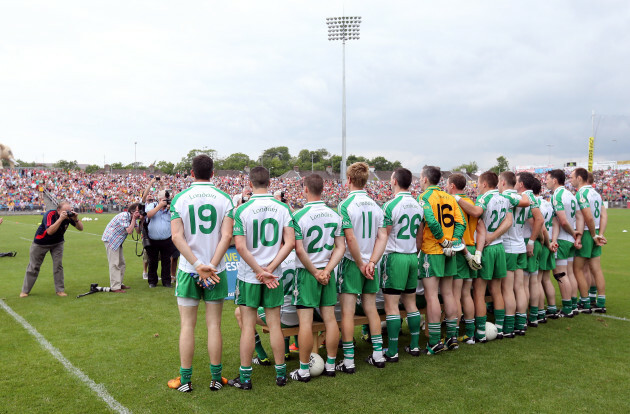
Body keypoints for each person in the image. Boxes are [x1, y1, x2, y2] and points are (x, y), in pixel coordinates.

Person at [167, 154, 234, 393]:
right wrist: (211, 266)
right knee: (214, 325)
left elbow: (176, 237)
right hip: (217, 270)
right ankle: (216, 378)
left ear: (192, 173)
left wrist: (197, 265)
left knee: (187, 326)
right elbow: (227, 236)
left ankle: (185, 380)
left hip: (188, 269)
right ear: (213, 173)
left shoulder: (180, 198)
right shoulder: (225, 198)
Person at [229, 166, 296, 389]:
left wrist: (260, 270)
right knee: (275, 325)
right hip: (272, 275)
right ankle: (281, 375)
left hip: (250, 275)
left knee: (248, 326)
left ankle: (246, 378)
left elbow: (239, 246)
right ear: (270, 182)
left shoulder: (242, 210)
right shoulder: (283, 208)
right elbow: (290, 243)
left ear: (250, 183)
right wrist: (270, 269)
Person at [291, 173, 345, 381]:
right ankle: (330, 365)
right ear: (323, 189)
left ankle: (304, 370)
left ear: (305, 189)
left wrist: (315, 272)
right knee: (330, 319)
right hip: (327, 271)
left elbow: (299, 250)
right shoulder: (335, 215)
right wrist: (327, 270)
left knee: (305, 322)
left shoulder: (298, 216)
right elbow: (340, 247)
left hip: (307, 272)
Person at [336, 162, 388, 371]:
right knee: (371, 308)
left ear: (348, 180)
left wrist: (360, 264)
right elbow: (382, 236)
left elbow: (349, 238)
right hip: (371, 264)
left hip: (352, 263)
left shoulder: (345, 205)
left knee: (348, 313)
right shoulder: (376, 205)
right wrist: (372, 262)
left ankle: (348, 361)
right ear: (366, 181)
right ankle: (377, 355)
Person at [456, 171, 512, 343]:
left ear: (485, 184)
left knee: (479, 293)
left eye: (479, 183)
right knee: (497, 290)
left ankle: (480, 332)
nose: (477, 186)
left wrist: (457, 199)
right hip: (499, 247)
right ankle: (501, 328)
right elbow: (508, 221)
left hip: (486, 248)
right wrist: (494, 236)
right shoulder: (504, 198)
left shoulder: (485, 198)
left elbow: (475, 212)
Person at [416, 166, 466, 353]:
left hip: (433, 250)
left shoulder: (424, 197)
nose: (420, 181)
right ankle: (452, 337)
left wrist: (443, 241)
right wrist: (453, 242)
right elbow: (461, 222)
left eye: (420, 177)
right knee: (449, 294)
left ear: (426, 179)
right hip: (450, 251)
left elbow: (430, 218)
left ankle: (435, 341)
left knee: (431, 297)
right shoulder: (450, 198)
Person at [380, 168, 424, 360]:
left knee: (391, 305)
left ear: (395, 181)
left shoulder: (390, 205)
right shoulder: (418, 205)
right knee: (410, 302)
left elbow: (384, 234)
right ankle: (414, 346)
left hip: (395, 256)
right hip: (412, 255)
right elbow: (420, 236)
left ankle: (392, 350)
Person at [446, 173, 485, 345]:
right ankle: (469, 334)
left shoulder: (453, 202)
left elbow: (457, 228)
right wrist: (477, 252)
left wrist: (465, 253)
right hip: (472, 247)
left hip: (461, 249)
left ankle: (453, 335)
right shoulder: (471, 203)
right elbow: (482, 230)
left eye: (447, 184)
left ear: (452, 185)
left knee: (455, 294)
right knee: (466, 294)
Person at [20, 201, 84, 297]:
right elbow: (50, 231)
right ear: (58, 210)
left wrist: (75, 219)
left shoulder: (69, 216)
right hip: (41, 243)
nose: (68, 212)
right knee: (33, 267)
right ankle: (25, 291)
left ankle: (60, 290)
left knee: (58, 266)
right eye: (65, 211)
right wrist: (61, 219)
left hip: (57, 243)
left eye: (70, 210)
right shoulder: (49, 214)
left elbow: (81, 228)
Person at [498, 171, 531, 337]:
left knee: (508, 289)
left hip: (508, 246)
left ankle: (509, 327)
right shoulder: (521, 197)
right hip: (520, 246)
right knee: (519, 287)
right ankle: (521, 323)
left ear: (503, 182)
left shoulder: (504, 197)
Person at [570, 167, 607, 314]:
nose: (570, 180)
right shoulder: (596, 193)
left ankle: (584, 302)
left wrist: (592, 235)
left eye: (572, 177)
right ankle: (601, 302)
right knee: (596, 269)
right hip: (596, 231)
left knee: (577, 269)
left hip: (587, 233)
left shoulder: (581, 194)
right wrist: (600, 233)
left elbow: (588, 217)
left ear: (579, 178)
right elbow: (604, 215)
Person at [546, 169, 583, 317]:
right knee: (570, 273)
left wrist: (573, 233)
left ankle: (567, 308)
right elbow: (579, 217)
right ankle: (573, 304)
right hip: (570, 239)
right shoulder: (571, 195)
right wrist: (577, 235)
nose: (546, 182)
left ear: (554, 180)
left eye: (548, 179)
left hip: (562, 238)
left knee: (560, 275)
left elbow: (562, 220)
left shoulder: (557, 195)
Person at [515, 172, 544, 328]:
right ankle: (532, 316)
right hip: (530, 240)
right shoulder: (531, 197)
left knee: (525, 283)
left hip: (524, 240)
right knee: (533, 281)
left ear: (521, 184)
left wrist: (532, 240)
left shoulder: (524, 197)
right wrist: (542, 237)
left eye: (516, 180)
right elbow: (538, 221)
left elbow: (538, 220)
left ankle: (524, 317)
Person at [102, 203, 141, 292]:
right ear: (132, 212)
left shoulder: (132, 218)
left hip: (118, 241)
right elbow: (130, 231)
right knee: (114, 263)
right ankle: (115, 287)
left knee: (122, 263)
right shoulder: (124, 216)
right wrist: (134, 219)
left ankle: (119, 283)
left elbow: (138, 231)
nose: (140, 213)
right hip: (111, 239)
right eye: (138, 211)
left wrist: (141, 220)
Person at [145, 189, 177, 288]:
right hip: (153, 239)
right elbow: (149, 214)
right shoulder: (153, 205)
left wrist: (169, 207)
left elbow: (177, 215)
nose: (166, 200)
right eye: (164, 199)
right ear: (159, 199)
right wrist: (160, 206)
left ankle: (166, 281)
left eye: (167, 199)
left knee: (166, 261)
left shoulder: (170, 208)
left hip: (166, 239)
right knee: (153, 261)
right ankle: (152, 281)